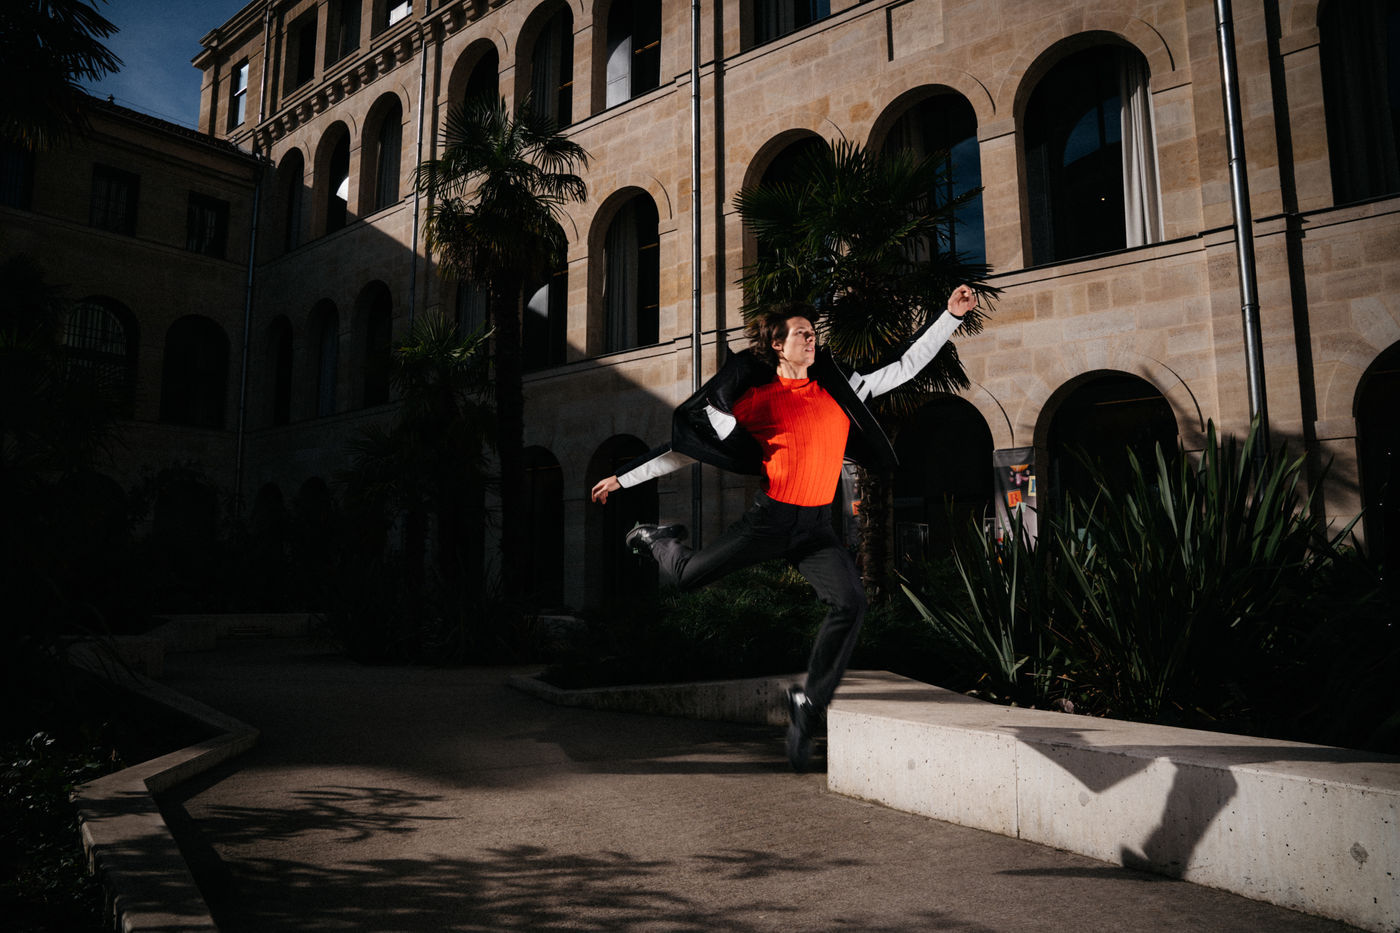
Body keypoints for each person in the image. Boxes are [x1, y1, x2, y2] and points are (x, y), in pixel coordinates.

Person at [591, 285, 979, 771]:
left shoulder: (841, 390)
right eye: (800, 334)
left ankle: (809, 703)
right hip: (770, 520)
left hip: (816, 526)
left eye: (813, 333)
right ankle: (658, 539)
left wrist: (949, 316)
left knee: (851, 603)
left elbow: (905, 366)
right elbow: (690, 448)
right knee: (688, 578)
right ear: (777, 344)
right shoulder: (758, 400)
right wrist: (625, 477)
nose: (811, 340)